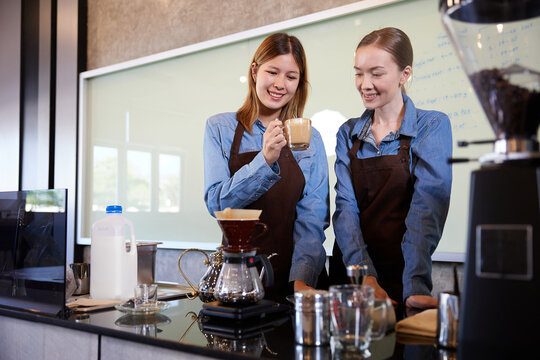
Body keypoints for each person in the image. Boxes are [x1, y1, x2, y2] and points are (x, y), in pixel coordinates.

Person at [330, 27, 452, 313]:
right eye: (359, 73)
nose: (365, 84)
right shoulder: (347, 133)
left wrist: (415, 287)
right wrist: (365, 278)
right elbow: (345, 210)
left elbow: (426, 213)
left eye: (377, 73)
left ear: (404, 74)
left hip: (404, 279)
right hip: (350, 275)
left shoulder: (431, 126)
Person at [203, 32, 330, 302]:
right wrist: (265, 160)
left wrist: (302, 279)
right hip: (239, 280)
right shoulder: (220, 128)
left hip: (298, 282)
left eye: (291, 76)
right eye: (273, 72)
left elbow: (313, 216)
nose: (280, 84)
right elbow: (217, 205)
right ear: (254, 71)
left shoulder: (311, 137)